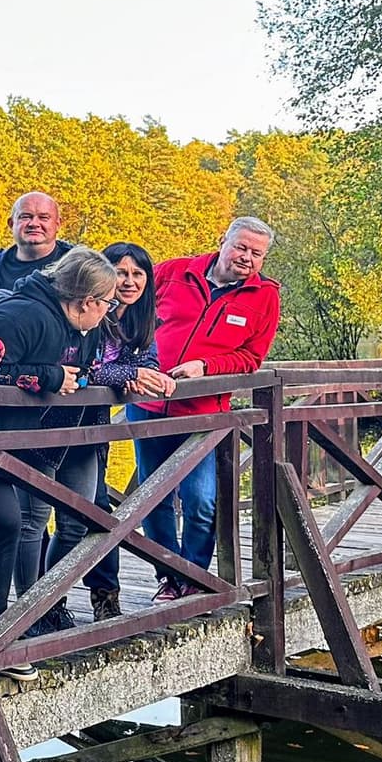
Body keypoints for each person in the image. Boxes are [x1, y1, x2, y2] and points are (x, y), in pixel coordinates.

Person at [0, 248, 118, 647]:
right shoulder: (19, 316)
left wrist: (129, 375)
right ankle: (17, 619)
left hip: (53, 437)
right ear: (87, 301)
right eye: (107, 303)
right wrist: (48, 376)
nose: (108, 312)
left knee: (69, 518)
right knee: (15, 524)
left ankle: (40, 608)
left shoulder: (82, 327)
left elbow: (87, 371)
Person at [129, 217, 280, 600]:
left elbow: (251, 357)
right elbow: (130, 308)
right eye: (241, 247)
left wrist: (206, 367)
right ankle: (169, 576)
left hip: (203, 413)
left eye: (256, 253)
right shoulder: (174, 272)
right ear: (222, 241)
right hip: (147, 405)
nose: (246, 257)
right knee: (153, 496)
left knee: (201, 500)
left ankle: (195, 576)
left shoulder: (264, 296)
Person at [52, 243, 178, 621]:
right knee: (71, 516)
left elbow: (149, 362)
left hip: (95, 426)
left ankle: (103, 598)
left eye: (138, 274)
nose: (129, 281)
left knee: (96, 514)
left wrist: (145, 374)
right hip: (56, 425)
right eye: (121, 272)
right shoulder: (89, 312)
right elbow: (84, 369)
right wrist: (131, 374)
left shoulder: (140, 320)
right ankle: (47, 601)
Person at [0, 192, 73, 292]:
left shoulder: (77, 265)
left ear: (58, 224)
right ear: (11, 223)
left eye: (43, 218)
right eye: (25, 217)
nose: (34, 224)